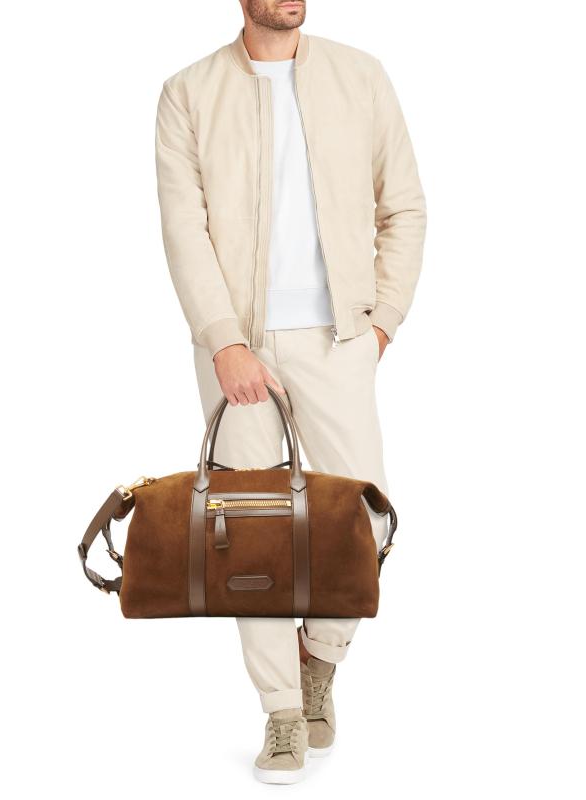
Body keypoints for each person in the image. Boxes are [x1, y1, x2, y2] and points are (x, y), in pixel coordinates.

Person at [154, 0, 426, 784]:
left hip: (339, 339)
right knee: (253, 534)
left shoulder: (360, 76)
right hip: (235, 346)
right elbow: (183, 226)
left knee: (365, 516)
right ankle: (280, 710)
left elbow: (403, 206)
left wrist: (381, 325)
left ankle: (319, 660)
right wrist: (224, 339)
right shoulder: (188, 91)